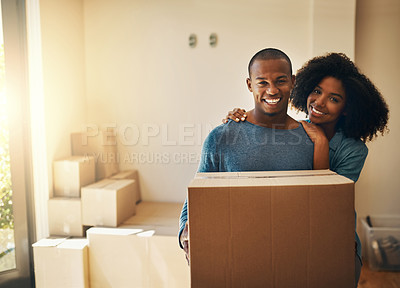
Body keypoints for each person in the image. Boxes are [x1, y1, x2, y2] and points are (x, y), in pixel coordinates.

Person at [222, 52, 389, 286]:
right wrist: (238, 117)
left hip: (336, 238)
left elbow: (325, 201)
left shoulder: (354, 150)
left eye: (334, 98)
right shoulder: (296, 130)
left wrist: (320, 144)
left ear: (347, 108)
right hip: (297, 238)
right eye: (317, 91)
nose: (319, 102)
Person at [178, 48, 317, 266]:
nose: (272, 90)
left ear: (292, 82)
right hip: (236, 259)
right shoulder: (221, 137)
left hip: (293, 259)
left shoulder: (309, 139)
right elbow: (195, 201)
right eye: (262, 82)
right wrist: (186, 236)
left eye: (280, 81)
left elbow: (318, 203)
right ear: (250, 85)